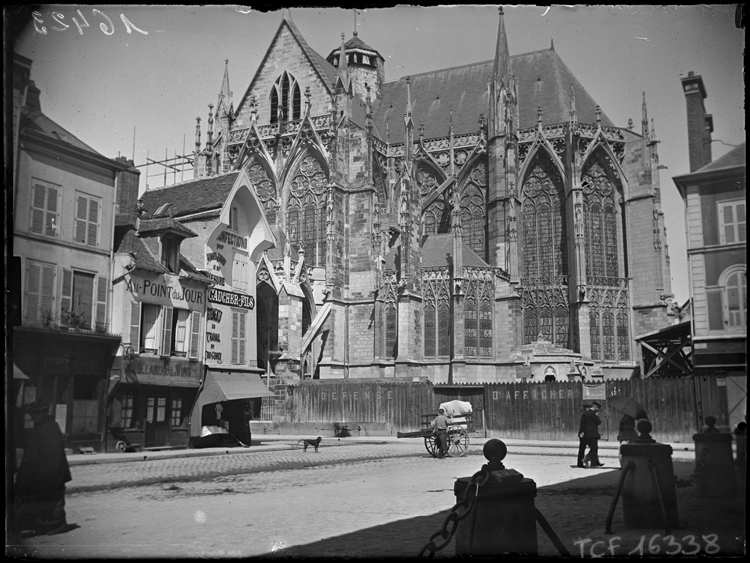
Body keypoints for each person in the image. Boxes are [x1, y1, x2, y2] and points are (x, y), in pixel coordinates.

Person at [15, 401, 72, 534]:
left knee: (54, 500)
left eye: (35, 414)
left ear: (41, 414)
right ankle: (48, 523)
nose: (33, 417)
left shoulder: (46, 429)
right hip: (53, 472)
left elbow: (42, 455)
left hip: (51, 472)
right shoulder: (50, 427)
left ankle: (57, 524)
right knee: (53, 499)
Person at [577, 402, 603, 468]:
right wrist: (596, 415)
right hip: (592, 434)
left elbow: (582, 424)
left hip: (584, 434)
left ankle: (580, 463)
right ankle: (593, 464)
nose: (597, 410)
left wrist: (581, 432)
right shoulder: (593, 414)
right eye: (597, 408)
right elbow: (598, 422)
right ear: (595, 407)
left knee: (582, 449)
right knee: (594, 449)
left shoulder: (584, 414)